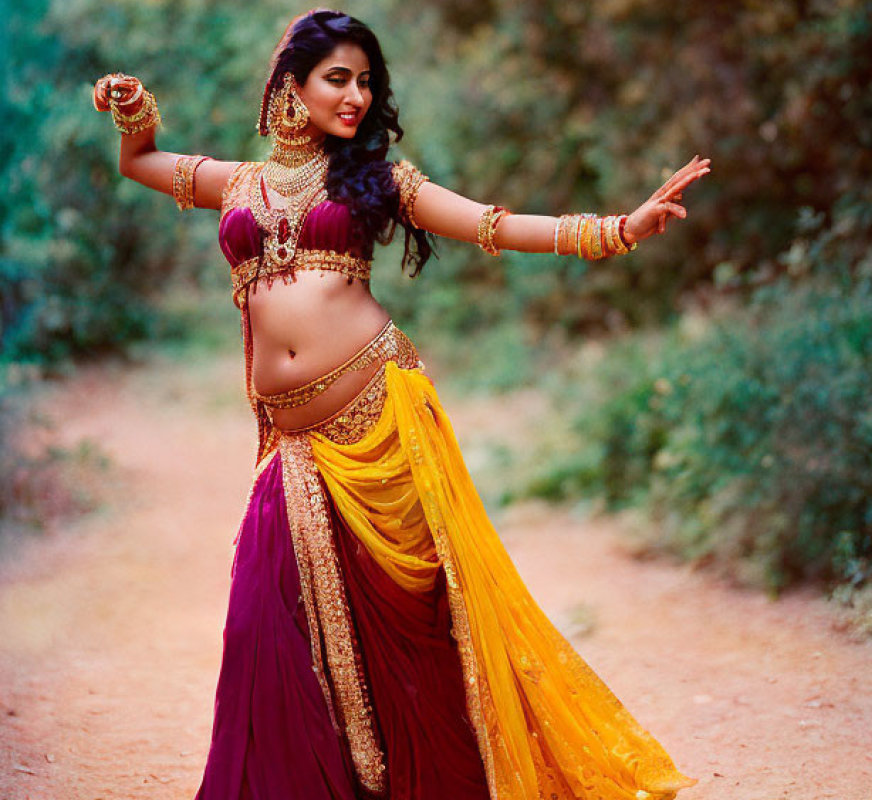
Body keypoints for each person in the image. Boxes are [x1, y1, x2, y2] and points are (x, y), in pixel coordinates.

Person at [93, 9, 710, 800]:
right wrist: (134, 112)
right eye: (337, 79)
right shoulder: (236, 183)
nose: (355, 96)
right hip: (294, 449)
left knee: (411, 631)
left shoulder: (375, 179)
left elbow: (493, 224)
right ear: (293, 86)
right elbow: (138, 163)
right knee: (260, 629)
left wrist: (616, 230)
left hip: (380, 422)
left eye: (365, 82)